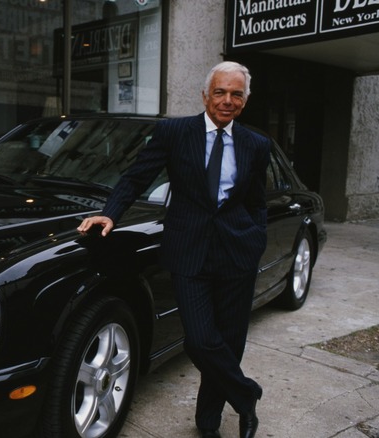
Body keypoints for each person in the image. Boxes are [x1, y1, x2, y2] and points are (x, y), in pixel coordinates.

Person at [77, 61, 269, 438]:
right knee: (200, 341)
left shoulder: (256, 144)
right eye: (220, 92)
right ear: (205, 95)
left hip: (238, 253)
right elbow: (137, 177)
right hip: (188, 251)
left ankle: (209, 423)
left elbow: (256, 201)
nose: (227, 101)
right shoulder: (175, 132)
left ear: (245, 100)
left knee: (230, 342)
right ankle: (246, 395)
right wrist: (110, 214)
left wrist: (256, 237)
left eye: (236, 94)